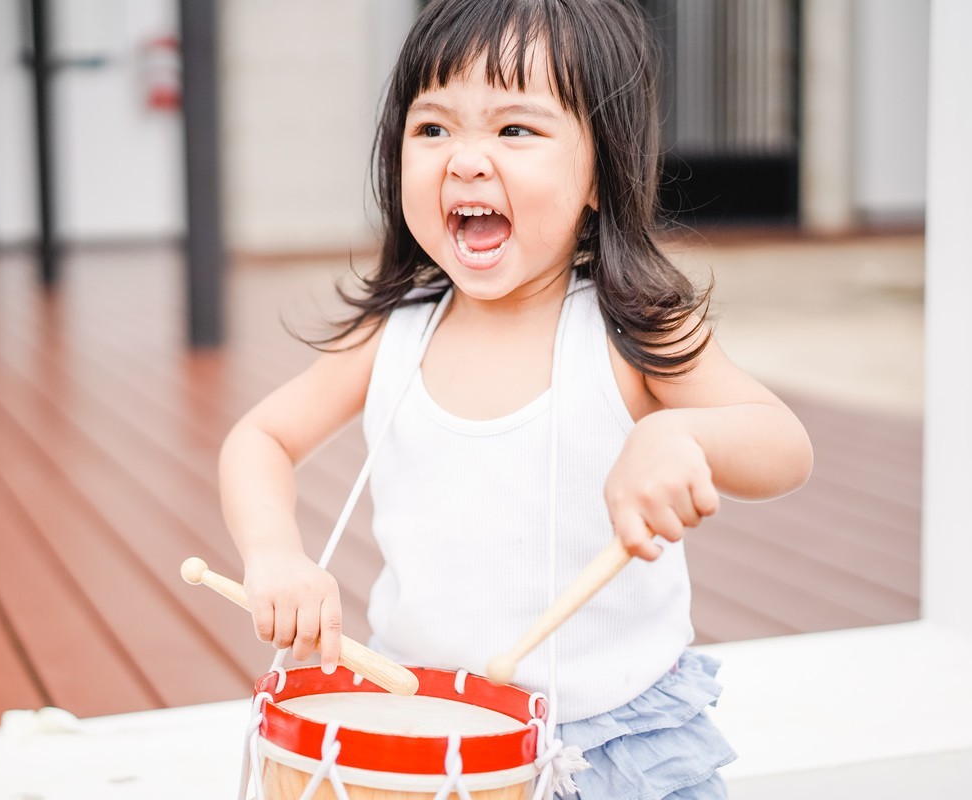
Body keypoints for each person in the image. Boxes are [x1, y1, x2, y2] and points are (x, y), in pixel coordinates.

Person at [219, 0, 813, 796]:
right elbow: (260, 439)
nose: (464, 161)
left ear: (601, 171)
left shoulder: (628, 329)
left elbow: (783, 445)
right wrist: (273, 555)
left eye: (514, 130)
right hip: (430, 736)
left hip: (614, 741)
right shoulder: (394, 335)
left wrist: (686, 437)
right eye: (432, 130)